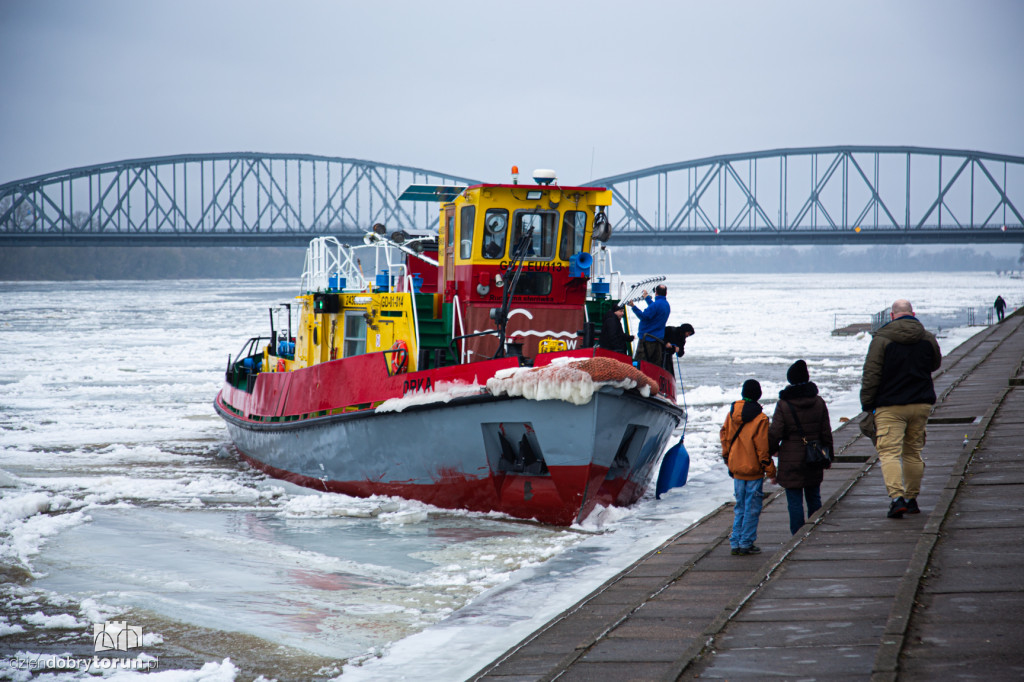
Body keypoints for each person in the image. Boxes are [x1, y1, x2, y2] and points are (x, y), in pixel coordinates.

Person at [860, 299, 941, 519]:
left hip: (890, 405)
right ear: (912, 314)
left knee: (889, 453)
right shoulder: (927, 337)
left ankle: (897, 500)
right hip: (920, 403)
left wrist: (867, 404)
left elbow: (872, 373)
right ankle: (912, 499)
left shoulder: (882, 339)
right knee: (913, 452)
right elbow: (935, 364)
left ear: (893, 316)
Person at [769, 360, 833, 534]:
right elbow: (826, 432)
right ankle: (815, 531)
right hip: (814, 455)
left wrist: (770, 450)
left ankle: (797, 535)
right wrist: (829, 456)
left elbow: (776, 432)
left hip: (791, 458)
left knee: (794, 500)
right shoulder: (818, 402)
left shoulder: (784, 404)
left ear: (790, 380)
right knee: (814, 496)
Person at [720, 379, 777, 555]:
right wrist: (771, 470)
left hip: (736, 469)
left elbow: (725, 437)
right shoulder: (760, 418)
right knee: (752, 508)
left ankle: (735, 542)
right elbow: (762, 448)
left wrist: (727, 459)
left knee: (739, 507)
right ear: (758, 395)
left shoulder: (731, 414)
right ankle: (746, 543)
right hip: (753, 471)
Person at [630, 284, 670, 365]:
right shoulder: (666, 304)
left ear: (656, 293)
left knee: (640, 363)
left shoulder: (656, 305)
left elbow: (643, 316)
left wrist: (633, 306)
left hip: (647, 340)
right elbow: (655, 308)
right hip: (658, 339)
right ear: (666, 294)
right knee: (655, 365)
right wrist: (647, 298)